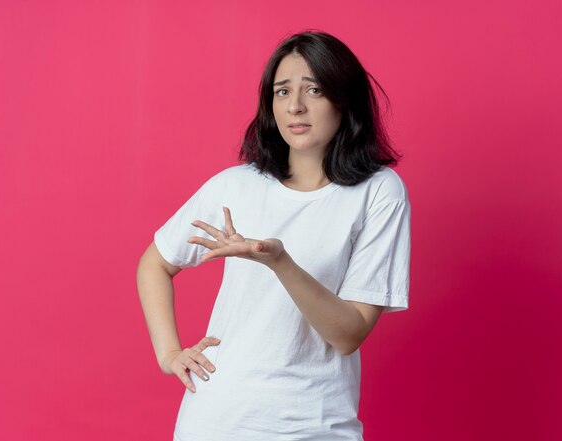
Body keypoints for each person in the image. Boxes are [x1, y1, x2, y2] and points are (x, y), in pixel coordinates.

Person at [137, 30, 411, 441]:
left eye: (314, 89)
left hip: (315, 424)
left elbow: (348, 333)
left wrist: (280, 262)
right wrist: (169, 354)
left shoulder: (378, 192)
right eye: (282, 92)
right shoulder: (236, 185)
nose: (295, 106)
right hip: (215, 420)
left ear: (344, 99)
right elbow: (155, 262)